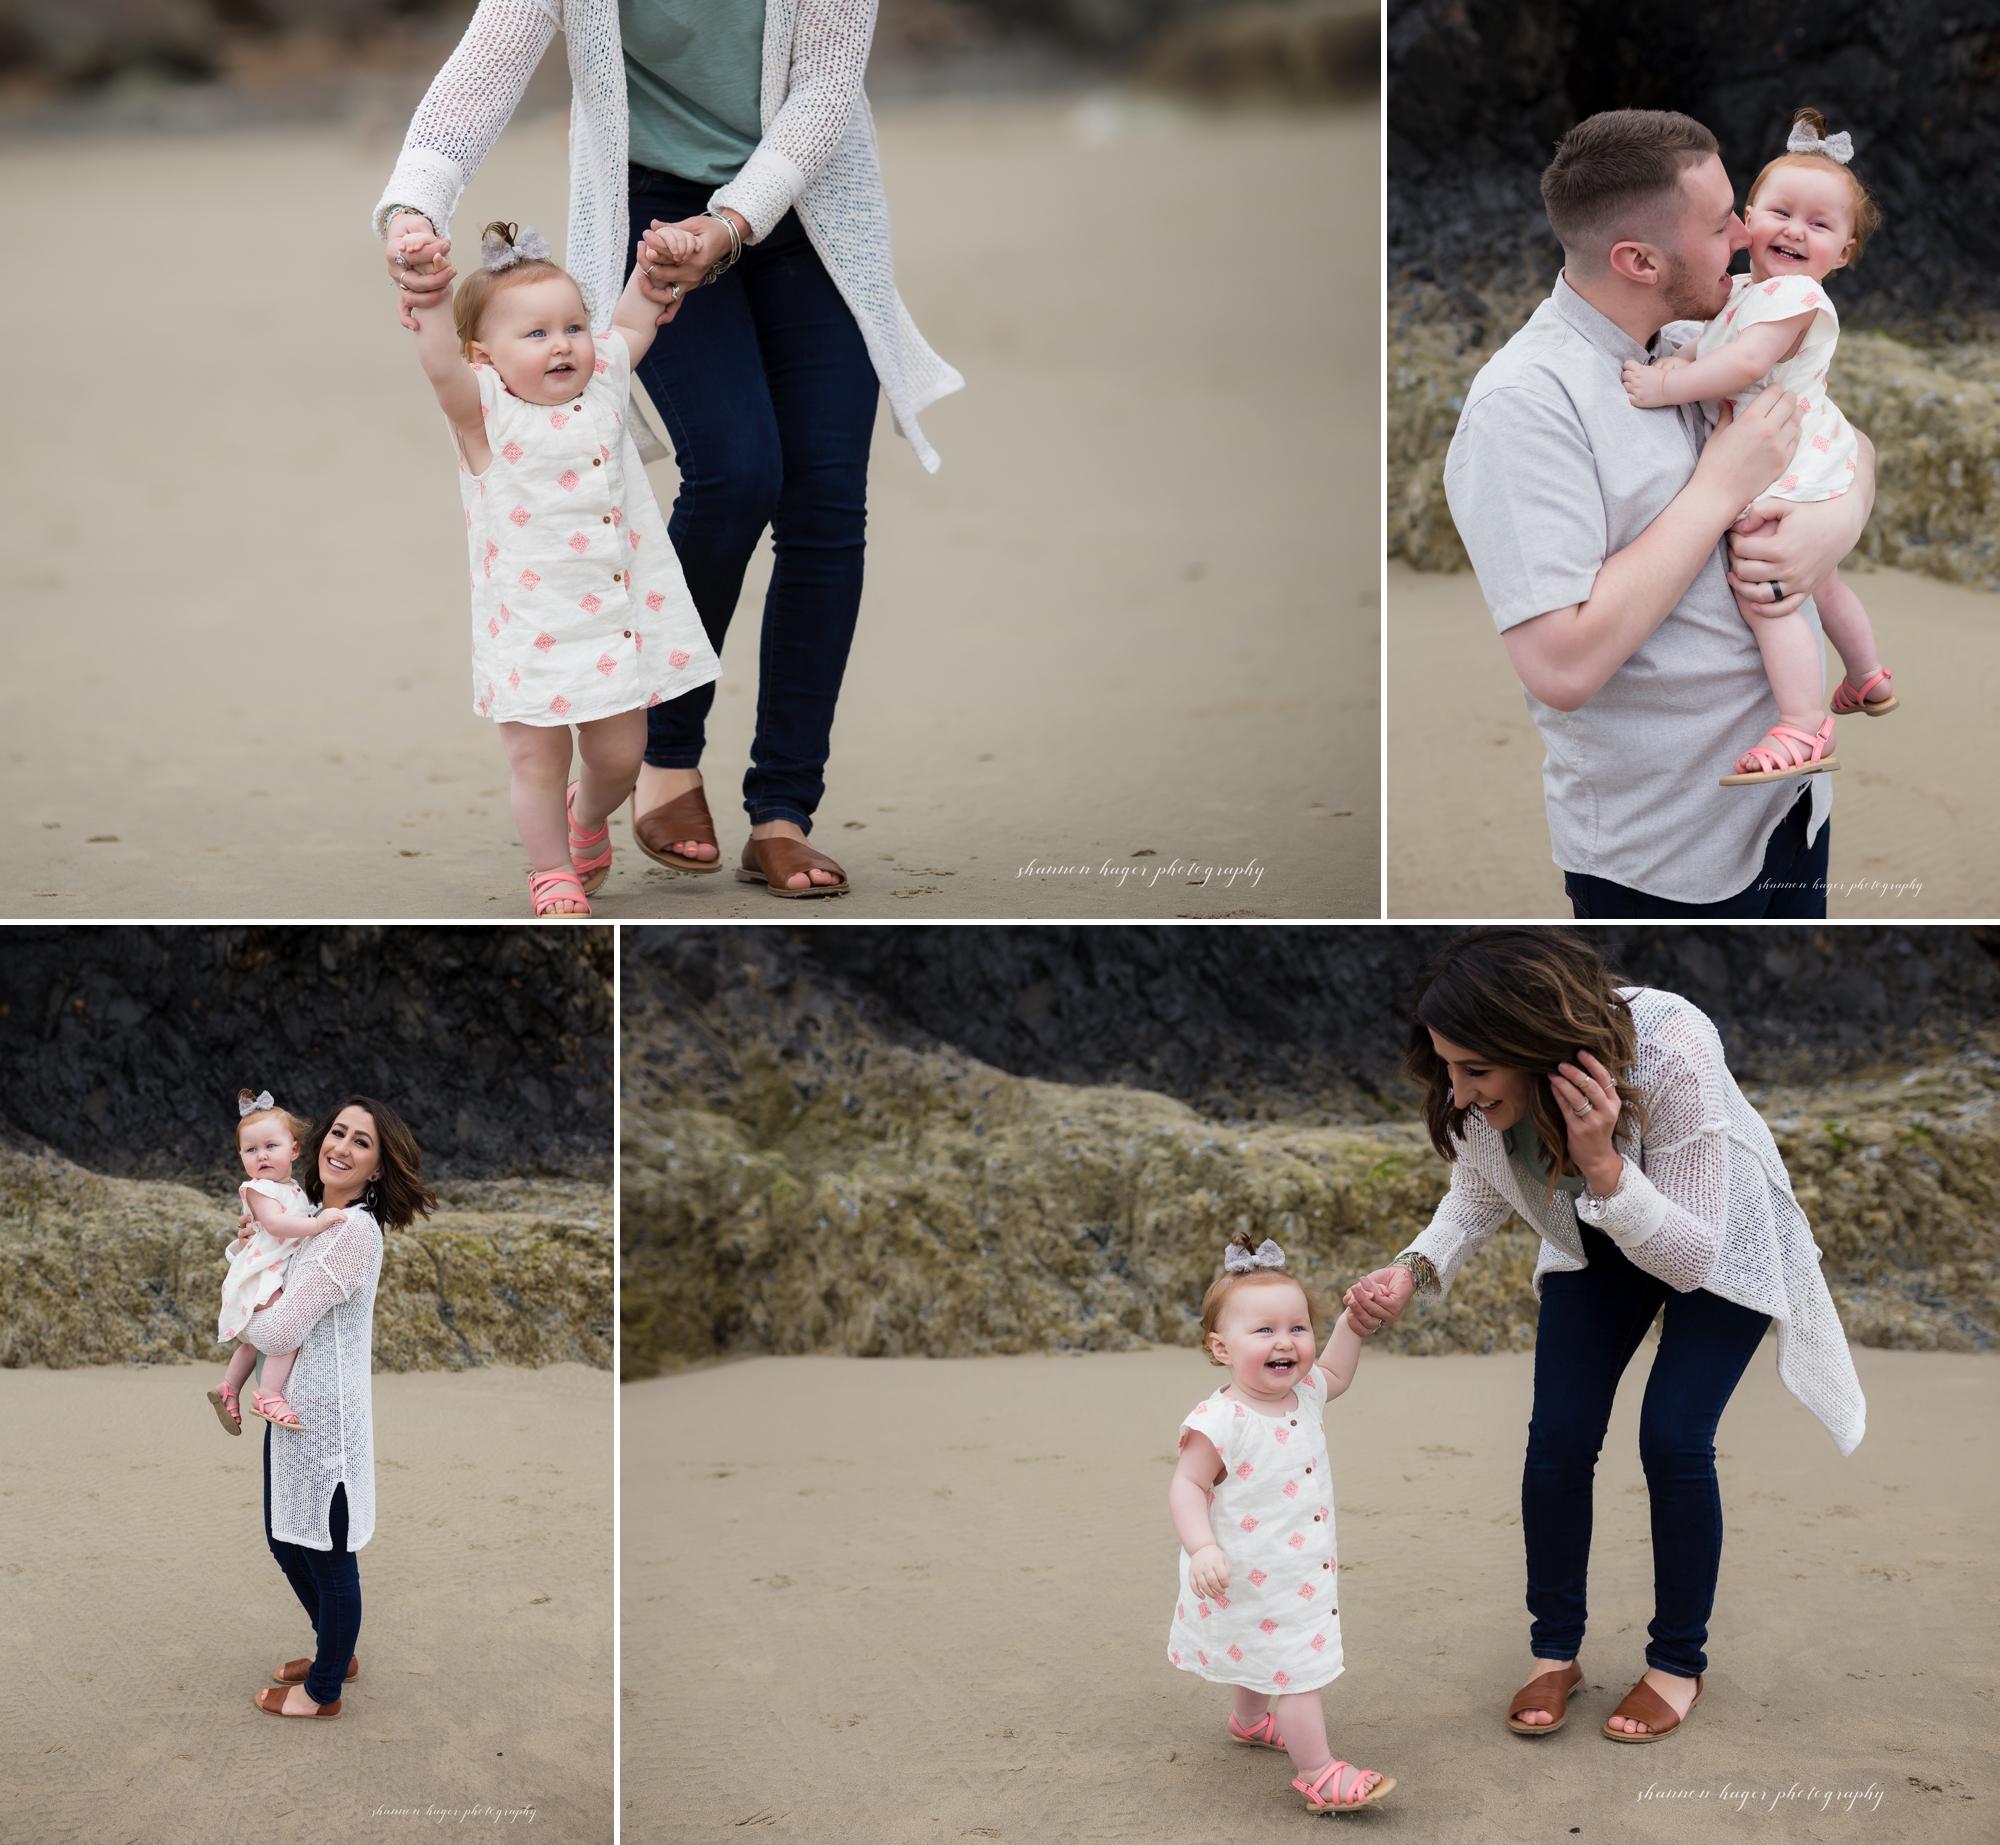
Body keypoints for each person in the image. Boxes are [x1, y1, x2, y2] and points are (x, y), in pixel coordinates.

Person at [375, 0, 963, 899]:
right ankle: (665, 757)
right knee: (736, 469)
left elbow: (825, 91)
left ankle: (782, 812)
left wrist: (730, 224)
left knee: (825, 500)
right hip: (651, 208)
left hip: (807, 206)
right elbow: (479, 77)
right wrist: (411, 212)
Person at [1343, 930, 1864, 1743]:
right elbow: (1477, 1189)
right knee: (1558, 1434)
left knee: (1674, 1437)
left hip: (1716, 1232)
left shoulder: (1672, 1046)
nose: (1458, 1091)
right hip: (1599, 1228)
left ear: (1534, 1044)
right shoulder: (1481, 1096)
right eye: (1448, 1066)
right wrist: (1412, 1267)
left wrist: (1604, 1164)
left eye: (1475, 1069)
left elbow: (1691, 1256)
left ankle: (1676, 1664)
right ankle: (1556, 1652)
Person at [1444, 109, 1879, 917]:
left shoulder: (1702, 328)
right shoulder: (1526, 406)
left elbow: (1843, 437)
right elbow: (1562, 666)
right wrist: (1718, 488)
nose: (1750, 237)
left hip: (1789, 802)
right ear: (1638, 259)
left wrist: (1837, 522)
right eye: (1723, 226)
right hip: (1672, 848)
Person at [401, 217, 720, 916]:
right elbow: (440, 367)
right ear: (484, 355)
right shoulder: (485, 414)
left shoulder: (602, 386)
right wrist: (426, 302)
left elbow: (634, 328)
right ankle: (552, 871)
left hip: (611, 624)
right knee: (536, 762)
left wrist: (651, 277)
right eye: (536, 334)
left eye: (573, 327)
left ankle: (587, 819)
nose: (564, 345)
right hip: (529, 629)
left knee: (619, 757)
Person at [1621, 109, 1896, 785]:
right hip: (1804, 441)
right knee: (1822, 579)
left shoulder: (1797, 297)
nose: (1795, 230)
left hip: (1784, 458)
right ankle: (1868, 676)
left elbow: (1742, 366)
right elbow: (1712, 334)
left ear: (1845, 253)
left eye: (1820, 224)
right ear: (1747, 220)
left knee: (1763, 592)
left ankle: (1803, 723)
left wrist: (1665, 385)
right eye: (1781, 211)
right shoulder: (1749, 291)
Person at [1166, 1229, 1396, 1813]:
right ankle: (1318, 1771)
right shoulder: (1223, 1419)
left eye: (1298, 1327)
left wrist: (1351, 1326)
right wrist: (1200, 1548)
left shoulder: (1307, 1392)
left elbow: (1337, 1375)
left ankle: (1248, 1722)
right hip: (1243, 1566)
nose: (1286, 1342)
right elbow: (1188, 1485)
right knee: (1297, 1670)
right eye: (1263, 1330)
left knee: (1261, 1648)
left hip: (1298, 1567)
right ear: (1221, 1348)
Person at [243, 1098, 437, 1719]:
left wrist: (243, 1311)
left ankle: (324, 1689)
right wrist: (255, 1249)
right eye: (337, 1132)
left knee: (328, 1555)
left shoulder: (350, 1232)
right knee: (285, 1539)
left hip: (326, 1421)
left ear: (378, 1169)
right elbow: (273, 1283)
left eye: (362, 1142)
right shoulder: (311, 1219)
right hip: (290, 1412)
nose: (342, 1147)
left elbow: (278, 1331)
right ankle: (336, 1649)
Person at [207, 1088, 347, 1436]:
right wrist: (317, 1225)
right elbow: (273, 1224)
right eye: (251, 1150)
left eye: (271, 1146)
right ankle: (268, 1394)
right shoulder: (259, 1189)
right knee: (285, 1332)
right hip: (263, 1273)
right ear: (241, 1157)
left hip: (269, 1268)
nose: (262, 1156)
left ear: (294, 1149)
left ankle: (228, 1388)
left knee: (254, 1342)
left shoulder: (293, 1190)